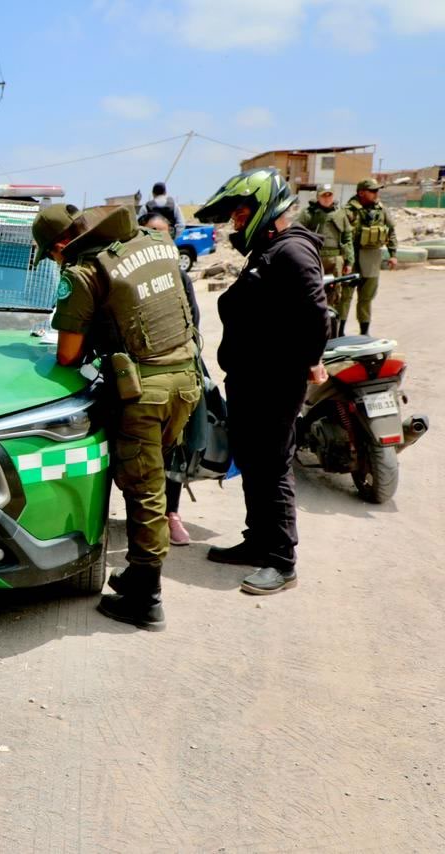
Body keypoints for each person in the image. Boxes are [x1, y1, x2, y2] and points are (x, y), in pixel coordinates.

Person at [35, 203, 200, 631]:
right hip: (185, 381)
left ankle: (146, 596)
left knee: (143, 488)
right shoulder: (153, 241)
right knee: (154, 477)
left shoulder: (84, 272)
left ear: (61, 244)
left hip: (143, 392)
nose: (54, 262)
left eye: (50, 255)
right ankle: (138, 574)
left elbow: (67, 354)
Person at [194, 167, 328, 595]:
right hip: (251, 380)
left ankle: (282, 561)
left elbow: (317, 315)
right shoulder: (270, 248)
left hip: (274, 384)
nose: (236, 222)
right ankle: (258, 542)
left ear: (264, 208)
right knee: (253, 463)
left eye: (241, 213)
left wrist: (310, 360)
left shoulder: (293, 251)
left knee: (272, 467)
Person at [140, 211, 200, 546]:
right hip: (139, 376)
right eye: (149, 232)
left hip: (175, 375)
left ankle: (171, 513)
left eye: (162, 233)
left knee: (174, 448)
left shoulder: (180, 277)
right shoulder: (128, 277)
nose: (156, 239)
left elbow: (194, 327)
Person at [341, 178, 398, 335]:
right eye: (372, 191)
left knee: (367, 297)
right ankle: (339, 332)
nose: (376, 193)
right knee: (345, 296)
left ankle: (364, 332)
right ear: (361, 193)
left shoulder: (381, 210)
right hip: (351, 258)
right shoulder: (348, 210)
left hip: (372, 258)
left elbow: (391, 231)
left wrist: (393, 254)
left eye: (377, 190)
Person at [296, 184, 354, 313]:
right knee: (311, 289)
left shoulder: (340, 214)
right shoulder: (308, 213)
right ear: (318, 197)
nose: (327, 198)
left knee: (334, 291)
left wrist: (349, 262)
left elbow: (347, 238)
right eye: (324, 195)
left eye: (330, 195)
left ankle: (330, 318)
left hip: (335, 260)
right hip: (314, 258)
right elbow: (296, 232)